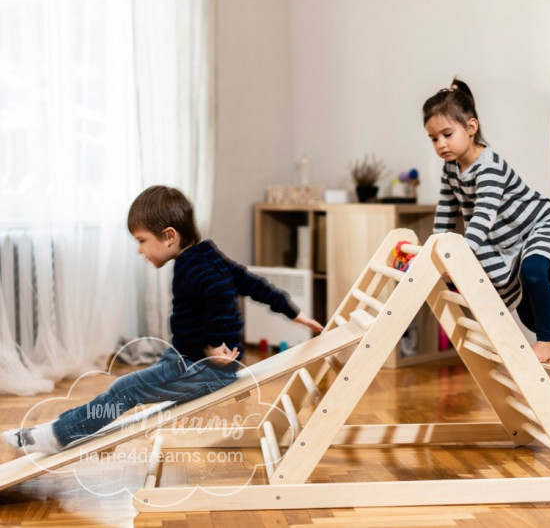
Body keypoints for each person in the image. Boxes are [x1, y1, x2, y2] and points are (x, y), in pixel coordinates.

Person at [4, 185, 323, 454]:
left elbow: (221, 295)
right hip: (189, 359)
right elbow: (250, 283)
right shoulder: (208, 256)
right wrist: (293, 311)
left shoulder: (193, 267)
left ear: (169, 236)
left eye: (142, 240)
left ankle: (56, 437)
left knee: (125, 388)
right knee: (127, 387)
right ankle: (65, 427)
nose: (140, 250)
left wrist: (215, 345)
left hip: (205, 369)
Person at [423, 78, 550, 365]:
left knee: (534, 270)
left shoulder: (490, 167)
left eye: (447, 134)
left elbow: (482, 218)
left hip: (538, 225)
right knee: (532, 318)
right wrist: (436, 251)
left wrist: (457, 256)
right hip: (506, 242)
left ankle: (548, 343)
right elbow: (446, 212)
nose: (441, 144)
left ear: (471, 128)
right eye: (434, 138)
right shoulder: (450, 169)